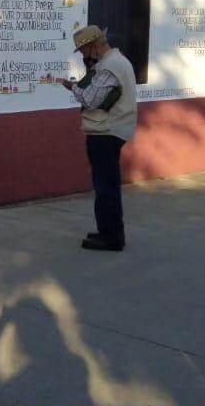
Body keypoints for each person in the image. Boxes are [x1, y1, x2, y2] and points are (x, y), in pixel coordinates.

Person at [55, 25, 138, 251]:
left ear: (92, 46)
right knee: (106, 185)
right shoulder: (117, 62)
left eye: (83, 50)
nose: (83, 55)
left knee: (105, 188)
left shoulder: (109, 67)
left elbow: (91, 100)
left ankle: (111, 237)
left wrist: (73, 87)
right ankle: (107, 230)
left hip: (106, 133)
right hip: (111, 131)